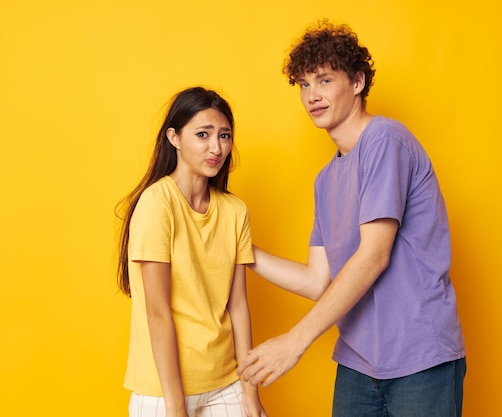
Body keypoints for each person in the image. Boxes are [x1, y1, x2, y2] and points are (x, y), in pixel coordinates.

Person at [238, 21, 466, 417]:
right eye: (304, 85)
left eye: (324, 80)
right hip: (358, 365)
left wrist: (295, 341)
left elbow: (374, 255)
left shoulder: (384, 139)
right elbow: (316, 280)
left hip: (420, 361)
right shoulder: (326, 180)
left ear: (357, 81)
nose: (312, 95)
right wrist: (242, 250)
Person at [116, 87, 267, 417]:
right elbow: (158, 312)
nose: (216, 148)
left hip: (227, 382)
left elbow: (238, 305)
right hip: (163, 390)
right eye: (203, 134)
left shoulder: (235, 210)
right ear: (175, 137)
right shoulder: (157, 204)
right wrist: (175, 405)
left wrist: (250, 392)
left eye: (224, 136)